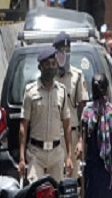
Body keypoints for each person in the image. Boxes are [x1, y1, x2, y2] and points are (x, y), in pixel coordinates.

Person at [53, 32, 90, 198]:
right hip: (52, 137)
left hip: (73, 135)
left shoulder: (76, 76)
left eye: (67, 51)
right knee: (53, 189)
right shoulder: (47, 78)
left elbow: (83, 110)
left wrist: (81, 142)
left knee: (73, 187)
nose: (64, 55)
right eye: (60, 51)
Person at [18, 46, 73, 183]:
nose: (51, 67)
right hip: (36, 154)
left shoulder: (61, 91)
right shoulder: (30, 92)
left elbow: (67, 125)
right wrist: (22, 158)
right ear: (40, 67)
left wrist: (69, 156)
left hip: (56, 154)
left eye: (53, 64)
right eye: (47, 65)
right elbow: (23, 127)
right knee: (35, 195)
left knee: (56, 196)